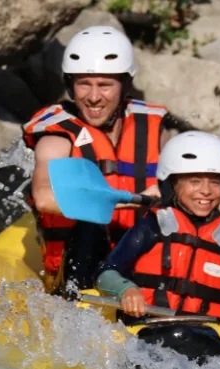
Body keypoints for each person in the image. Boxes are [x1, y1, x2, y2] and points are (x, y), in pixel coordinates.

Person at [22, 26, 169, 293]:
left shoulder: (154, 130)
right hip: (81, 269)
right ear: (70, 85)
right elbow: (44, 198)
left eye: (105, 85)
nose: (93, 97)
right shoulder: (57, 137)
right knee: (90, 228)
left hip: (139, 263)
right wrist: (135, 200)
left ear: (124, 85)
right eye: (83, 84)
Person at [95, 131, 220, 323]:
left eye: (216, 182)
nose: (206, 191)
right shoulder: (153, 225)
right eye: (194, 181)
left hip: (208, 332)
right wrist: (126, 290)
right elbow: (106, 272)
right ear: (172, 185)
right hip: (149, 325)